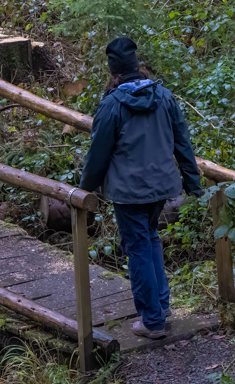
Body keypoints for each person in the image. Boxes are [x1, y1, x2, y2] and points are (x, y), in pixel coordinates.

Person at [79, 37, 202, 340]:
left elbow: (98, 154)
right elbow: (183, 143)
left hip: (129, 191)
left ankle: (152, 320)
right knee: (150, 238)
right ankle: (160, 306)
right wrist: (193, 182)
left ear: (114, 73)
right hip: (161, 187)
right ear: (138, 68)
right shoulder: (163, 97)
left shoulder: (112, 105)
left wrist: (84, 189)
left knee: (138, 249)